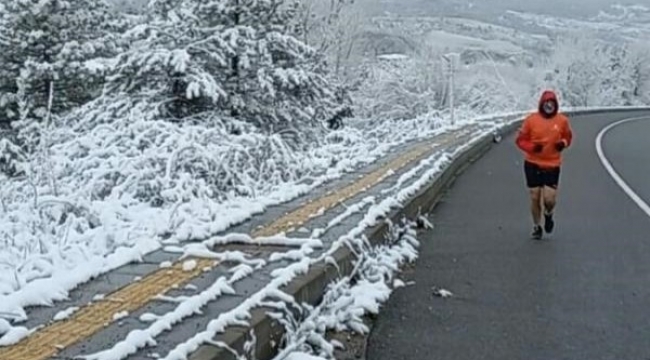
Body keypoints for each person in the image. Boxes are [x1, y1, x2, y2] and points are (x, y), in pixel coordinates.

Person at [515, 90, 573, 240]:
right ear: (542, 104)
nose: (549, 106)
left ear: (555, 105)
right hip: (533, 163)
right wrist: (532, 148)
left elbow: (568, 136)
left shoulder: (562, 121)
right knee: (535, 196)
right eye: (546, 104)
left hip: (552, 164)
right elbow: (520, 140)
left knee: (549, 199)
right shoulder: (531, 120)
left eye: (552, 104)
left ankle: (548, 214)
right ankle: (536, 226)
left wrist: (563, 143)